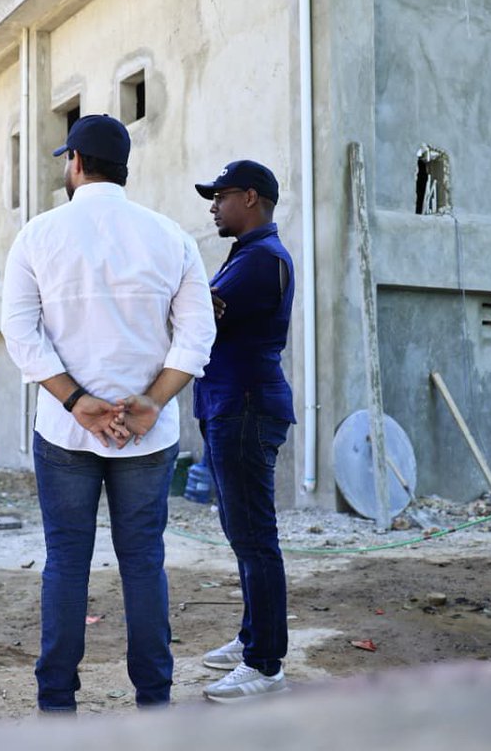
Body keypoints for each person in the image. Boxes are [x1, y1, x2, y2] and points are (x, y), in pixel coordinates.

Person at [1, 114, 216, 712]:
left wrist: (78, 402)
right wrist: (148, 402)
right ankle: (154, 701)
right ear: (124, 167)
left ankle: (57, 706)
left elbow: (20, 334)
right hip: (147, 433)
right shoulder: (171, 236)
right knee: (144, 561)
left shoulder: (38, 235)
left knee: (66, 561)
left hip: (66, 429)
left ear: (74, 162)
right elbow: (196, 337)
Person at [190, 160, 296, 703]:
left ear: (250, 198)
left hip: (246, 408)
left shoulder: (260, 261)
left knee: (255, 537)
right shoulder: (247, 257)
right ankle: (255, 636)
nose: (212, 206)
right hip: (232, 405)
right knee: (243, 533)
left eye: (221, 196)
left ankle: (265, 664)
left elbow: (196, 317)